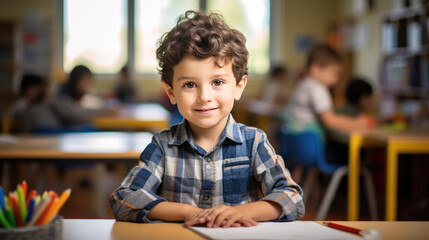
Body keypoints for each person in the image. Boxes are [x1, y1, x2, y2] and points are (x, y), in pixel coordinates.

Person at [110, 11, 305, 227]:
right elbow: (123, 199)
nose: (204, 97)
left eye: (218, 82)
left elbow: (293, 198)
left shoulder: (254, 142)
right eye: (190, 85)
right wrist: (187, 212)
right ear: (171, 92)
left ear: (238, 87)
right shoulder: (163, 146)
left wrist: (241, 212)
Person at [282, 44, 372, 140]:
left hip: (293, 142)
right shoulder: (318, 88)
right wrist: (358, 123)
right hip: (309, 145)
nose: (336, 80)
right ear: (316, 69)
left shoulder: (302, 85)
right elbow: (330, 121)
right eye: (333, 73)